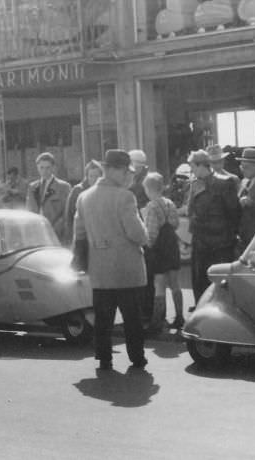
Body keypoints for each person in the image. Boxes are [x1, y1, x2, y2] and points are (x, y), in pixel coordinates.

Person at [73, 149, 149, 371]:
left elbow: (78, 234)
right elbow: (136, 233)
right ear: (114, 171)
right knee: (132, 319)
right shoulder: (125, 196)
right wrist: (146, 236)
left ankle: (104, 358)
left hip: (99, 269)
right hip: (126, 270)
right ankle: (137, 358)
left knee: (103, 319)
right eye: (126, 171)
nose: (129, 176)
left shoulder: (84, 196)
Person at [187, 149, 241, 307]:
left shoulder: (225, 182)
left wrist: (228, 235)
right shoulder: (195, 184)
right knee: (200, 281)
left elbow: (234, 211)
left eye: (193, 167)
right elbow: (191, 209)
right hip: (201, 241)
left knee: (219, 284)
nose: (192, 171)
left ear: (200, 165)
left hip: (219, 243)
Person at [142, 172, 183, 331]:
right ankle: (179, 316)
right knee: (175, 283)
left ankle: (157, 320)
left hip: (159, 249)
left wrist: (148, 247)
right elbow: (176, 224)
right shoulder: (169, 203)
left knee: (159, 284)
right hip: (172, 246)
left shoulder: (151, 207)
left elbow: (151, 233)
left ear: (148, 189)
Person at [27, 152, 72, 243]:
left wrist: (55, 229)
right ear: (37, 168)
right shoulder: (32, 187)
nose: (44, 171)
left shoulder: (63, 187)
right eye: (41, 168)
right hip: (36, 233)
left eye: (48, 168)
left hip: (57, 234)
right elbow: (29, 210)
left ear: (53, 168)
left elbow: (67, 213)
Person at [64, 160, 102, 242]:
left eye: (97, 176)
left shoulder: (105, 191)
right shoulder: (78, 190)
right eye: (91, 176)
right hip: (82, 234)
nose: (94, 179)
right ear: (87, 176)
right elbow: (69, 214)